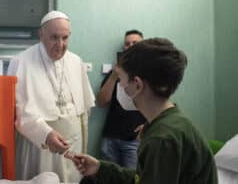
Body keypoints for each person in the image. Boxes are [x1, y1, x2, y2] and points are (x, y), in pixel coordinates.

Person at [73, 38, 218, 184]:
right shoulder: (170, 122)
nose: (121, 86)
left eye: (121, 79)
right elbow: (140, 178)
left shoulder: (162, 139)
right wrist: (99, 168)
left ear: (137, 84)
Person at [7, 11, 95, 183]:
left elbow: (84, 109)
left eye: (65, 38)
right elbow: (18, 111)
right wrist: (45, 135)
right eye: (54, 37)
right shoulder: (21, 61)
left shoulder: (76, 61)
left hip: (73, 144)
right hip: (41, 147)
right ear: (41, 35)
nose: (60, 44)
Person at [97, 29, 146, 169]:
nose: (130, 46)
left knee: (132, 179)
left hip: (135, 140)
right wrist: (114, 75)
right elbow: (101, 102)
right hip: (110, 137)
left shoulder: (150, 72)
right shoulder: (115, 72)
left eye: (135, 43)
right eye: (127, 44)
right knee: (108, 179)